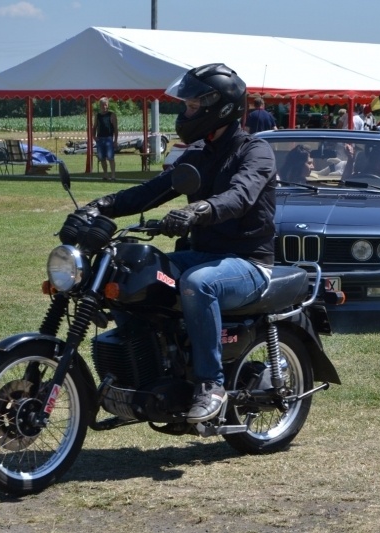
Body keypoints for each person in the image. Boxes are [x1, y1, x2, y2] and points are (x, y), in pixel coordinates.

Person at [84, 63, 276, 423]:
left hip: (248, 261)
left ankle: (211, 385)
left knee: (197, 284)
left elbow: (241, 195)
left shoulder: (256, 151)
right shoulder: (198, 154)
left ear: (218, 106)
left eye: (190, 106)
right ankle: (145, 377)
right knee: (131, 273)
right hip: (201, 254)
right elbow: (152, 191)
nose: (183, 112)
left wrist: (201, 210)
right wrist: (102, 205)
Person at [92, 97, 118, 181]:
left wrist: (115, 140)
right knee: (102, 158)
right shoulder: (97, 115)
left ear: (108, 105)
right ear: (100, 106)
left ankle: (113, 175)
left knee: (110, 158)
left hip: (109, 139)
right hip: (100, 139)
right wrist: (94, 136)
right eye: (102, 105)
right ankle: (105, 175)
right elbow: (94, 127)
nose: (104, 106)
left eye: (105, 105)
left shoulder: (112, 115)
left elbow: (115, 128)